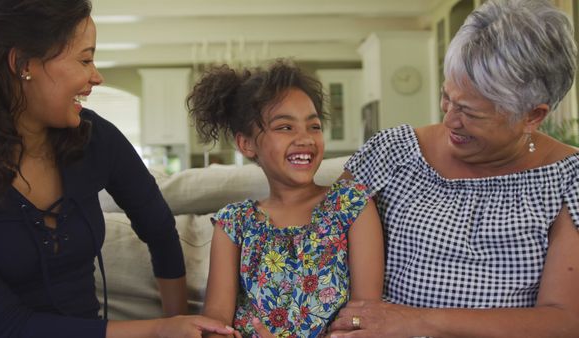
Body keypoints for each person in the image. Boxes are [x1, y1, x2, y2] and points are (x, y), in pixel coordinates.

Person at [0, 1, 235, 337]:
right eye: (84, 59)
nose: (96, 76)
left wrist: (179, 320)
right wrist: (158, 329)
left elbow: (160, 230)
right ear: (22, 63)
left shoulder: (95, 138)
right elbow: (1, 325)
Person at [327, 0, 579, 337]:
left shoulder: (569, 179)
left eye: (470, 112)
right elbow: (315, 247)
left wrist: (412, 321)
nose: (448, 120)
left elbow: (564, 320)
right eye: (447, 97)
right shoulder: (391, 152)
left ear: (533, 116)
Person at [187, 61, 385, 338]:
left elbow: (365, 313)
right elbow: (216, 321)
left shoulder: (351, 205)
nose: (305, 138)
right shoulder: (234, 223)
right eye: (285, 128)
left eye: (313, 126)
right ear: (247, 144)